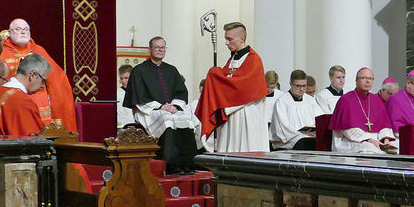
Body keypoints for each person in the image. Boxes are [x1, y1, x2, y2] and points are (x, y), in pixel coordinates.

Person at [123, 37, 201, 174]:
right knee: (167, 120)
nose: (160, 50)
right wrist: (161, 107)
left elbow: (181, 92)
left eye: (163, 47)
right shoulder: (139, 71)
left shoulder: (171, 70)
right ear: (150, 49)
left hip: (171, 109)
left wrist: (175, 106)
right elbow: (139, 96)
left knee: (186, 120)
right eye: (157, 47)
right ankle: (171, 165)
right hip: (148, 110)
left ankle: (188, 164)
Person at [197, 22, 268, 152]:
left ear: (242, 38)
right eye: (225, 39)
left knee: (246, 149)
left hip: (247, 113)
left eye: (229, 39)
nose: (226, 43)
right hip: (231, 112)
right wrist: (216, 76)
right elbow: (227, 82)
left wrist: (216, 75)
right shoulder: (233, 59)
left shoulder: (254, 59)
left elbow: (246, 87)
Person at [0, 18, 78, 132]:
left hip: (40, 99)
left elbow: (57, 77)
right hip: (14, 98)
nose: (23, 32)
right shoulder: (2, 52)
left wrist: (58, 101)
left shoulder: (38, 50)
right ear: (9, 33)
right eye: (18, 29)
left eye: (26, 29)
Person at [0, 53, 51, 136]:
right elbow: (35, 141)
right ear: (33, 75)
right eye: (43, 80)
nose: (43, 86)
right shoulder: (22, 102)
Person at [329, 68, 396, 154]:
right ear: (356, 81)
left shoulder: (376, 100)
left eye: (370, 78)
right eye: (364, 78)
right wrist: (370, 140)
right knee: (368, 149)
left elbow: (384, 125)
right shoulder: (346, 99)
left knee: (396, 145)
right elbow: (347, 129)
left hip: (377, 140)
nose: (367, 81)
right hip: (352, 141)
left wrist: (385, 139)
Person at [270, 70, 318, 150]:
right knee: (304, 142)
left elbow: (318, 119)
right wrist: (302, 133)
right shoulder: (282, 101)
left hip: (308, 136)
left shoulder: (310, 100)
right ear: (290, 84)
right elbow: (283, 128)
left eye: (304, 86)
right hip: (287, 141)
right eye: (298, 86)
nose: (301, 89)